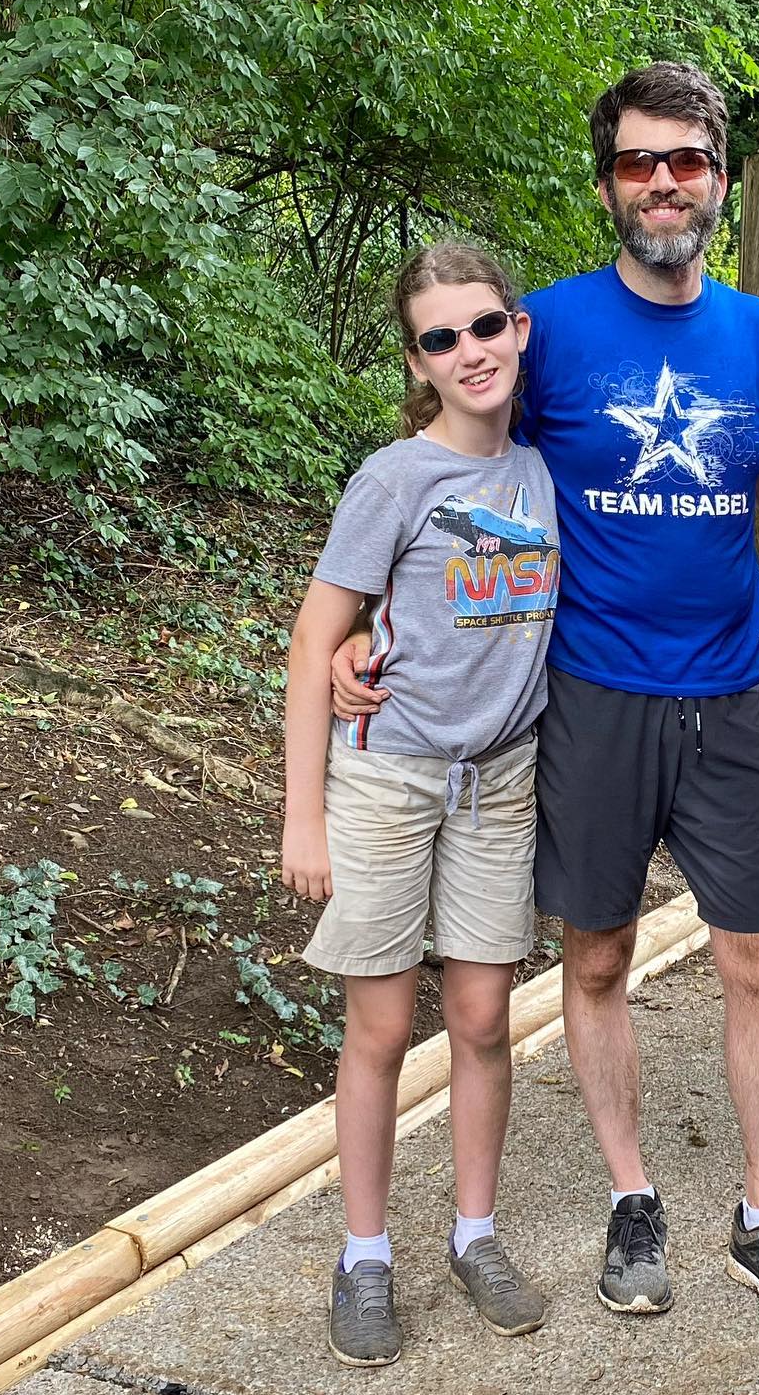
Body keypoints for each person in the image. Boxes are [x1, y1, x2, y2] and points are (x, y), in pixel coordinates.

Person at [334, 63, 759, 1332]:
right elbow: (452, 467)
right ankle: (632, 1199)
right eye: (636, 162)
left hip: (727, 691)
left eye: (685, 159)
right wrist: (362, 627)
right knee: (598, 955)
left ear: (721, 177)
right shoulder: (546, 327)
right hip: (588, 696)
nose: (662, 182)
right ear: (610, 181)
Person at [284, 244, 560, 1365]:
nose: (468, 352)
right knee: (384, 1026)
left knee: (486, 1018)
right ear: (419, 360)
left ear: (518, 329)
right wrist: (302, 812)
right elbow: (317, 637)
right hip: (389, 777)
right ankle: (363, 1254)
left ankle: (476, 1231)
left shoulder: (544, 475)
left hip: (501, 779)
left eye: (484, 326)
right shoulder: (394, 477)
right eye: (441, 338)